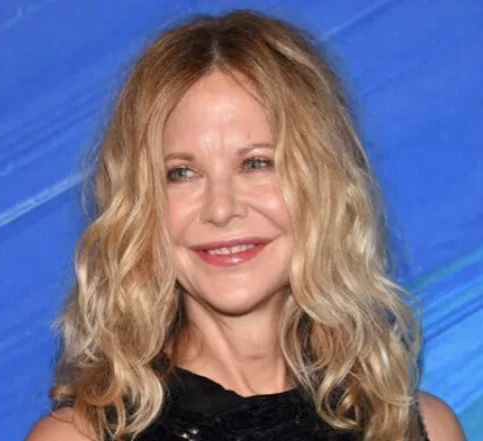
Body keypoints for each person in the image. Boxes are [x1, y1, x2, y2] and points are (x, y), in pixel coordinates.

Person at [26, 9, 466, 441]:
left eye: (256, 163)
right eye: (182, 172)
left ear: (324, 185)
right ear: (141, 206)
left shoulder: (419, 427)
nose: (221, 209)